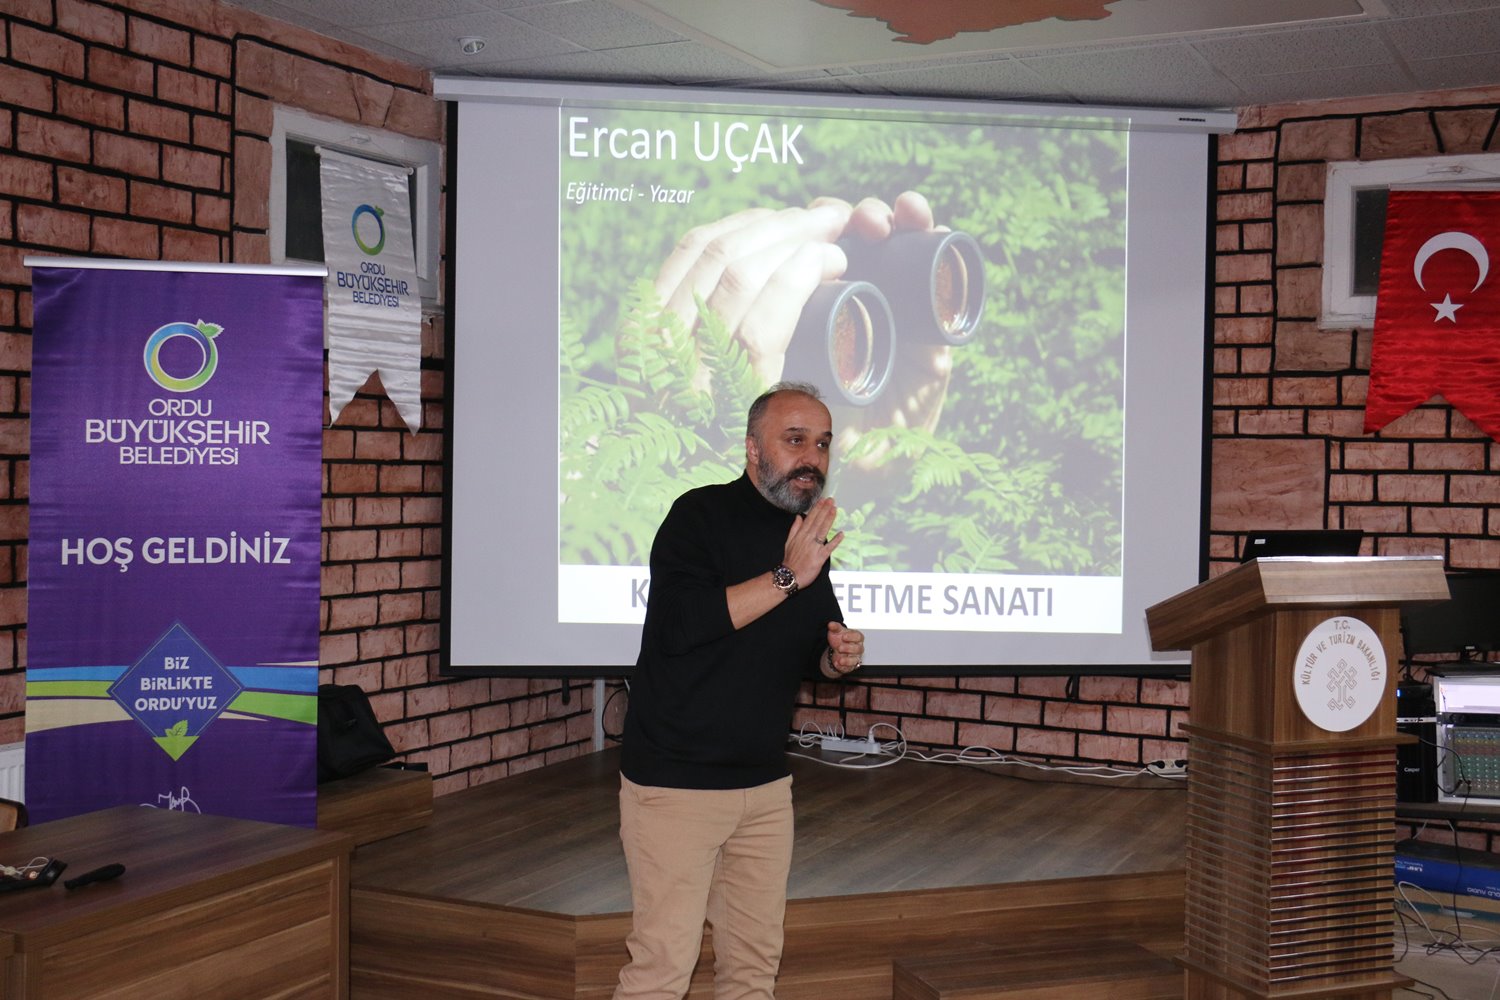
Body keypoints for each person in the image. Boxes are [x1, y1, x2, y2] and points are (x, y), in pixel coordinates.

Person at [614, 382, 867, 1000]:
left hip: (764, 787)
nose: (812, 458)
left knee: (753, 973)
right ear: (753, 449)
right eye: (795, 440)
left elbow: (811, 648)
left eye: (823, 444)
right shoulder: (698, 516)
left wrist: (836, 657)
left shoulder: (804, 541)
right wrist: (788, 575)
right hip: (676, 785)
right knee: (660, 974)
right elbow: (679, 626)